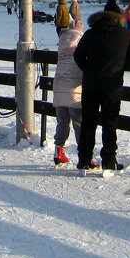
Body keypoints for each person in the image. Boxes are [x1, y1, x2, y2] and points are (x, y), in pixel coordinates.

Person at [73, 0, 130, 174]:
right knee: (109, 123)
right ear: (119, 17)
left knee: (88, 123)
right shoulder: (125, 34)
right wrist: (122, 65)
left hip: (90, 85)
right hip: (112, 85)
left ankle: (84, 161)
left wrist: (88, 69)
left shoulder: (90, 34)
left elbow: (78, 55)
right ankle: (109, 161)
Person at [52, 19, 84, 166]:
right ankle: (84, 155)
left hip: (59, 86)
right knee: (79, 123)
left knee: (62, 121)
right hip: (74, 88)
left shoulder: (62, 40)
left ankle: (58, 151)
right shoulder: (80, 41)